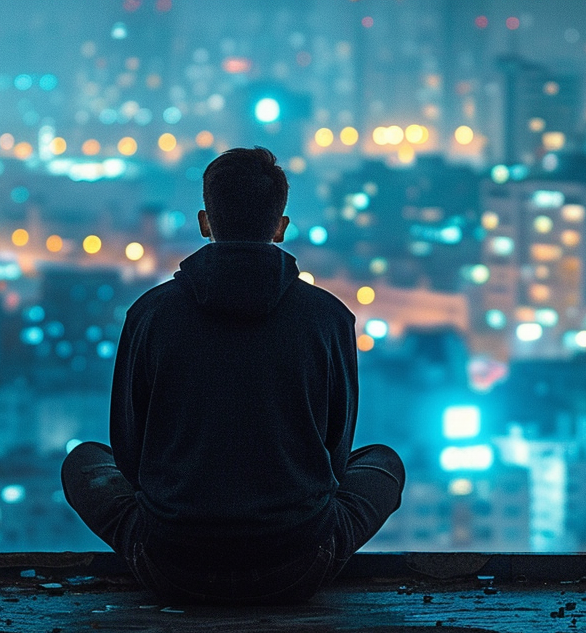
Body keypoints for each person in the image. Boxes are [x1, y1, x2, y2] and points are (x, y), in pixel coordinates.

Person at [61, 147, 403, 604]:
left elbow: (128, 453)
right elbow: (336, 456)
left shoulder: (150, 314)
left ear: (206, 223)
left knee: (84, 461)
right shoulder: (328, 318)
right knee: (382, 462)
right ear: (280, 227)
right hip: (298, 562)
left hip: (171, 562)